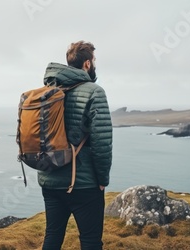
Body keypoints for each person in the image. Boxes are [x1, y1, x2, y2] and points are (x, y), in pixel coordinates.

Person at [38, 41, 113, 250]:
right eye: (94, 61)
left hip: (50, 181)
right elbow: (102, 142)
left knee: (52, 237)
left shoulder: (48, 89)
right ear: (87, 64)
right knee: (90, 242)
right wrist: (102, 179)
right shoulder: (94, 92)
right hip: (83, 184)